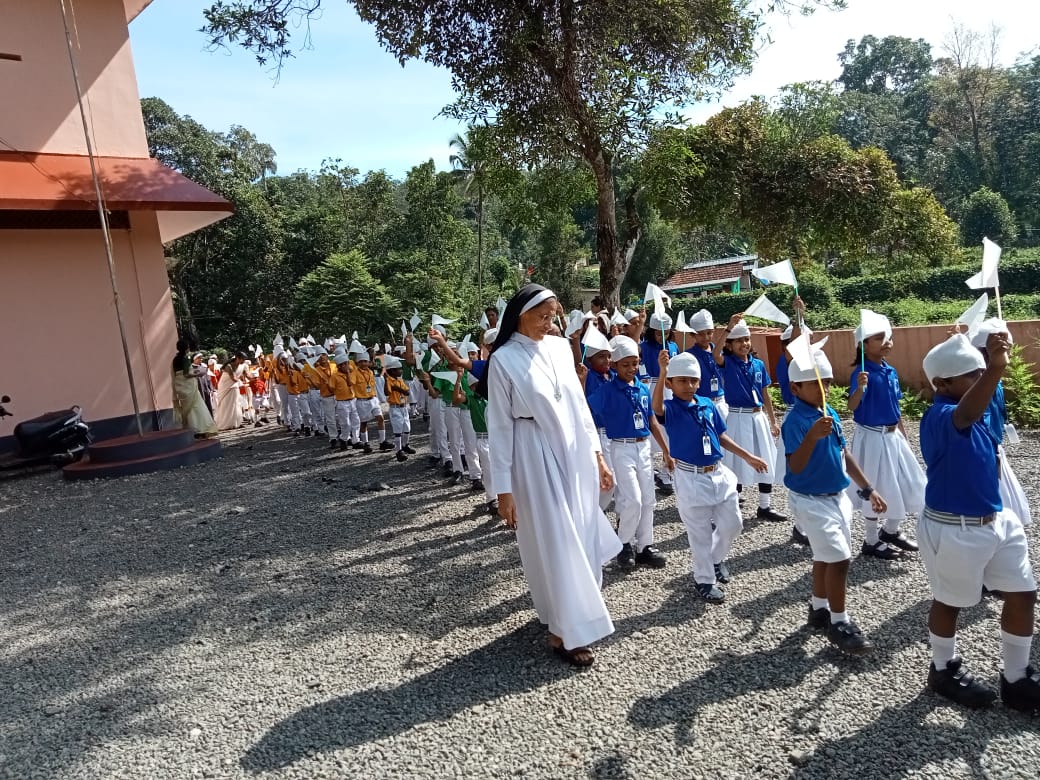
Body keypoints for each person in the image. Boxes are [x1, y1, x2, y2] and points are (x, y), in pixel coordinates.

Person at [482, 284, 620, 667]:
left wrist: (598, 457)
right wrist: (504, 489)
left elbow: (579, 407)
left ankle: (573, 612)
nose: (549, 323)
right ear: (520, 315)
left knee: (582, 531)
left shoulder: (560, 348)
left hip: (574, 451)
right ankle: (564, 631)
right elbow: (500, 427)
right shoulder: (503, 359)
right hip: (533, 454)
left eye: (552, 316)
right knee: (558, 540)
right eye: (542, 316)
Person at [919, 331, 1040, 711]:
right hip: (954, 526)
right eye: (971, 375)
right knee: (950, 602)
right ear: (942, 384)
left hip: (997, 518)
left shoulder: (981, 406)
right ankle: (942, 669)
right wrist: (995, 369)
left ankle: (1016, 678)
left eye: (980, 372)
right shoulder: (940, 416)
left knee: (1023, 592)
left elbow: (981, 406)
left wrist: (993, 359)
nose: (980, 378)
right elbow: (966, 414)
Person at [783, 345, 886, 655]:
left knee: (824, 557)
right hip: (810, 500)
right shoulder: (796, 421)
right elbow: (795, 465)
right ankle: (839, 622)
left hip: (838, 497)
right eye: (815, 384)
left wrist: (868, 488)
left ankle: (819, 608)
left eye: (826, 382)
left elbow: (844, 453)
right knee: (840, 559)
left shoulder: (829, 413)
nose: (823, 389)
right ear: (795, 388)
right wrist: (811, 437)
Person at [652, 350, 768, 602]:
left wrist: (748, 456)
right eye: (682, 381)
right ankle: (704, 580)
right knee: (700, 534)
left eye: (693, 380)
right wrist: (662, 372)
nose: (689, 385)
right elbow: (656, 408)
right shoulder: (671, 408)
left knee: (733, 524)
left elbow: (721, 436)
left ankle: (715, 560)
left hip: (718, 473)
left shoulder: (707, 404)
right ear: (671, 383)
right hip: (690, 477)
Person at [585, 335, 671, 573]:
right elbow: (585, 409)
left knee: (648, 499)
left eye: (635, 363)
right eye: (625, 364)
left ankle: (645, 546)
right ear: (614, 365)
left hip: (643, 447)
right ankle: (623, 544)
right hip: (621, 447)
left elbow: (652, 420)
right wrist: (581, 381)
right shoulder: (607, 390)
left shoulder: (642, 388)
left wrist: (666, 451)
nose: (631, 368)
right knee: (632, 499)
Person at [847, 312, 925, 560]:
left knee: (903, 481)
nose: (886, 342)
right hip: (872, 438)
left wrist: (903, 435)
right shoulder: (861, 374)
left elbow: (895, 406)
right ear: (863, 345)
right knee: (875, 484)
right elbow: (851, 406)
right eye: (879, 338)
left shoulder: (890, 371)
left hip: (893, 437)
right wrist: (860, 389)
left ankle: (891, 530)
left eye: (888, 337)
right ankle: (870, 540)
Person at [713, 315, 785, 521]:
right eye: (738, 340)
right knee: (736, 461)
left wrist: (773, 420)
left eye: (746, 339)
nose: (744, 344)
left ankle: (765, 506)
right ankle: (733, 505)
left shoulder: (758, 364)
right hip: (737, 416)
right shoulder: (727, 362)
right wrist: (728, 328)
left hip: (758, 416)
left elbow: (765, 394)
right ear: (730, 345)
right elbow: (715, 353)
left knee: (765, 456)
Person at [969, 319, 1031, 527]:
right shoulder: (977, 383)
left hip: (995, 448)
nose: (1008, 355)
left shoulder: (995, 380)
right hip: (984, 453)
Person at [640, 313, 679, 495]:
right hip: (651, 387)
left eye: (666, 332)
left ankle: (666, 473)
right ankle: (647, 473)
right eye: (657, 333)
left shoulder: (673, 346)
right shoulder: (644, 348)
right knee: (651, 429)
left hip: (670, 388)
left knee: (670, 431)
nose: (662, 336)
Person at [172, 340, 217, 437]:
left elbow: (176, 373)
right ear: (186, 349)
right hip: (189, 385)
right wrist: (197, 373)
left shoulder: (175, 360)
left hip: (179, 385)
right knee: (196, 406)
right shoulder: (185, 359)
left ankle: (190, 428)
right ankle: (199, 429)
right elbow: (187, 374)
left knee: (187, 408)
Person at [382, 355, 413, 461]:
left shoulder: (399, 380)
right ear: (392, 370)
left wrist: (397, 388)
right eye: (399, 369)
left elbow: (407, 392)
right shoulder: (389, 381)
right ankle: (398, 450)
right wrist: (386, 381)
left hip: (403, 407)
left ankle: (405, 445)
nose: (401, 371)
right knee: (398, 430)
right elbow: (387, 392)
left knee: (407, 428)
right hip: (395, 407)